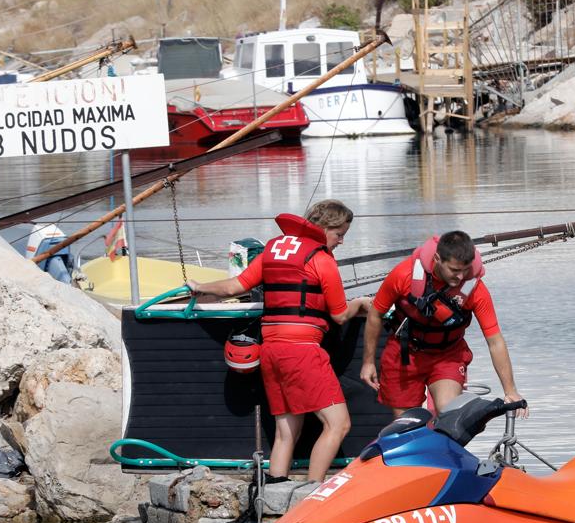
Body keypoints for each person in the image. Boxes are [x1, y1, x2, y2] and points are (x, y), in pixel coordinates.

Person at [186, 199, 370, 482]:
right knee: (338, 425)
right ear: (324, 229)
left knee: (286, 432)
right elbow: (341, 315)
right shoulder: (321, 259)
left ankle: (274, 493)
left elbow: (236, 285)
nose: (341, 241)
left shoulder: (272, 250)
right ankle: (313, 493)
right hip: (302, 351)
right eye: (340, 234)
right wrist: (361, 303)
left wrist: (200, 287)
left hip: (270, 352)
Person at [360, 230, 525, 416]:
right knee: (407, 425)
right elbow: (375, 315)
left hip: (448, 355)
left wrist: (510, 390)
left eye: (465, 270)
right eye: (454, 270)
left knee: (449, 413)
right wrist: (368, 362)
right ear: (438, 258)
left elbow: (495, 341)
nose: (461, 277)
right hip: (405, 354)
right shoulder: (403, 274)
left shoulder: (475, 289)